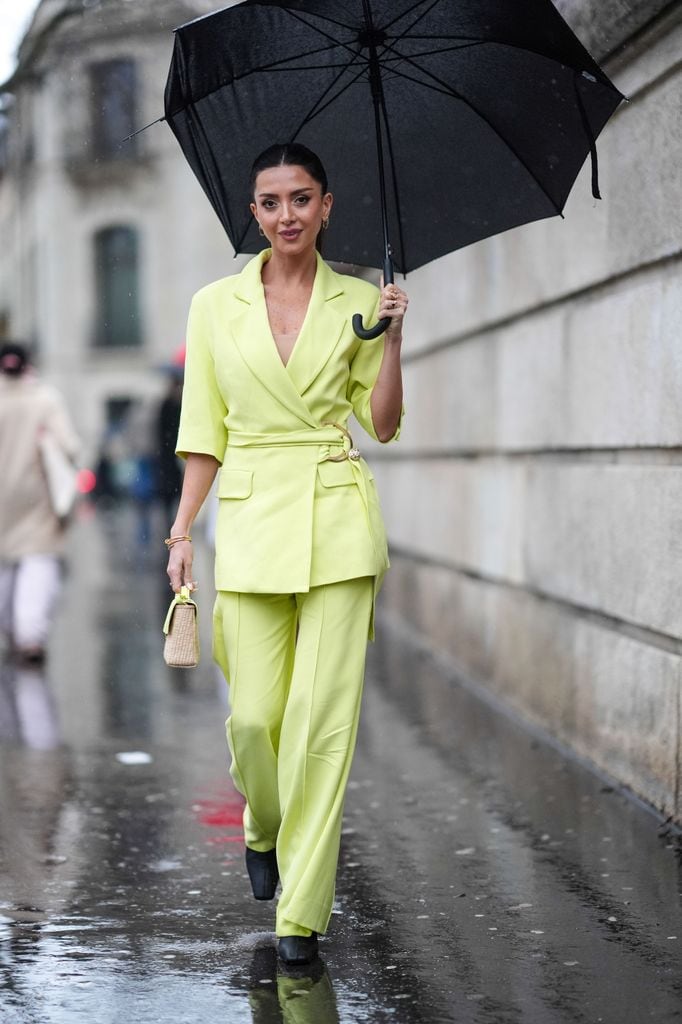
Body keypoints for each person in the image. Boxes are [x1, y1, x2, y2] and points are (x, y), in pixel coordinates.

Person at [166, 143, 407, 965]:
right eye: (271, 202)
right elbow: (204, 430)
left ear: (327, 205)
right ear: (254, 212)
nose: (287, 215)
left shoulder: (362, 299)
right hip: (253, 518)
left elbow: (381, 422)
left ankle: (301, 913)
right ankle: (262, 824)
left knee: (319, 726)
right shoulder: (213, 305)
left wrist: (394, 339)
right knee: (257, 719)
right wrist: (180, 533)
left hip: (338, 518)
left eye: (301, 198)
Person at [0, 342, 80, 664]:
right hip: (37, 504)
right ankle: (30, 638)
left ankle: (9, 630)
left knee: (5, 570)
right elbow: (70, 447)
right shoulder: (44, 401)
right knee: (37, 565)